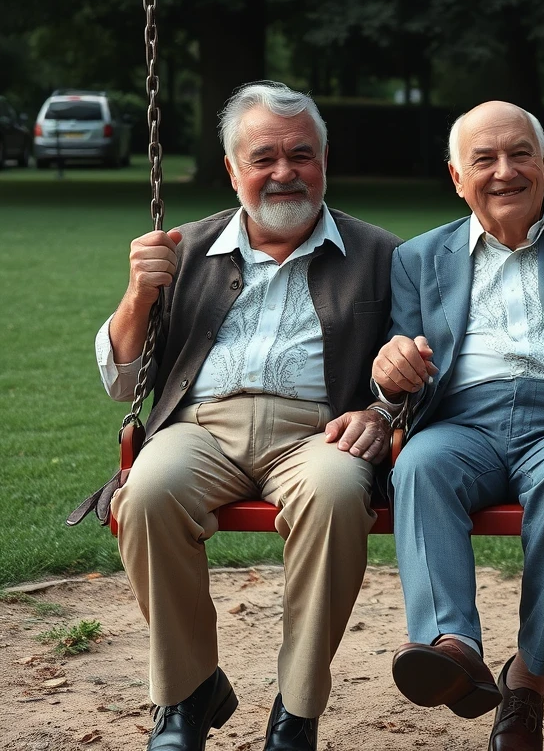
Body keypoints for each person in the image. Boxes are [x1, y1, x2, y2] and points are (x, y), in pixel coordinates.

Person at [78, 82, 400, 751]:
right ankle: (188, 694)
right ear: (233, 170)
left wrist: (379, 410)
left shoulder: (381, 256)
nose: (284, 173)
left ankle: (297, 710)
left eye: (300, 155)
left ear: (324, 160)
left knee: (339, 492)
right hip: (200, 427)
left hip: (318, 431)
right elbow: (121, 383)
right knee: (145, 495)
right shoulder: (186, 250)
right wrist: (139, 294)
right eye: (264, 158)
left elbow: (414, 370)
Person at [373, 101, 544, 751]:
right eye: (483, 159)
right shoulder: (419, 258)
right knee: (420, 465)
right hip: (462, 421)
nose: (504, 171)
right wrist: (391, 368)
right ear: (457, 176)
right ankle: (451, 645)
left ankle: (528, 679)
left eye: (520, 155)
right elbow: (398, 364)